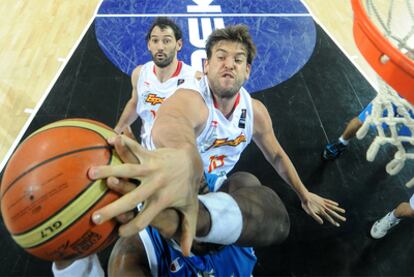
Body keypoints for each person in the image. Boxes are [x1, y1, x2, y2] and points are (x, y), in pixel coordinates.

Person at [88, 24, 346, 275]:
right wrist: (187, 159)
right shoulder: (192, 99)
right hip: (174, 174)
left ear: (247, 71)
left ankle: (196, 223)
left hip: (213, 185)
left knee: (252, 188)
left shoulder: (255, 112)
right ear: (206, 66)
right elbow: (171, 122)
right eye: (221, 57)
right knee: (123, 258)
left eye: (238, 59)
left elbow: (277, 155)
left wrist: (304, 195)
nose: (229, 63)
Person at [52, 17, 202, 277]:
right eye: (155, 41)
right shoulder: (140, 73)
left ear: (179, 45)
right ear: (148, 45)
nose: (160, 46)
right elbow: (135, 102)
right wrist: (118, 130)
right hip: (144, 157)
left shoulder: (194, 79)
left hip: (177, 161)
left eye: (167, 41)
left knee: (183, 227)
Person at [322, 100, 414, 160]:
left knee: (405, 140)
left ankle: (395, 159)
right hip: (400, 93)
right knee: (363, 120)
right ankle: (341, 142)